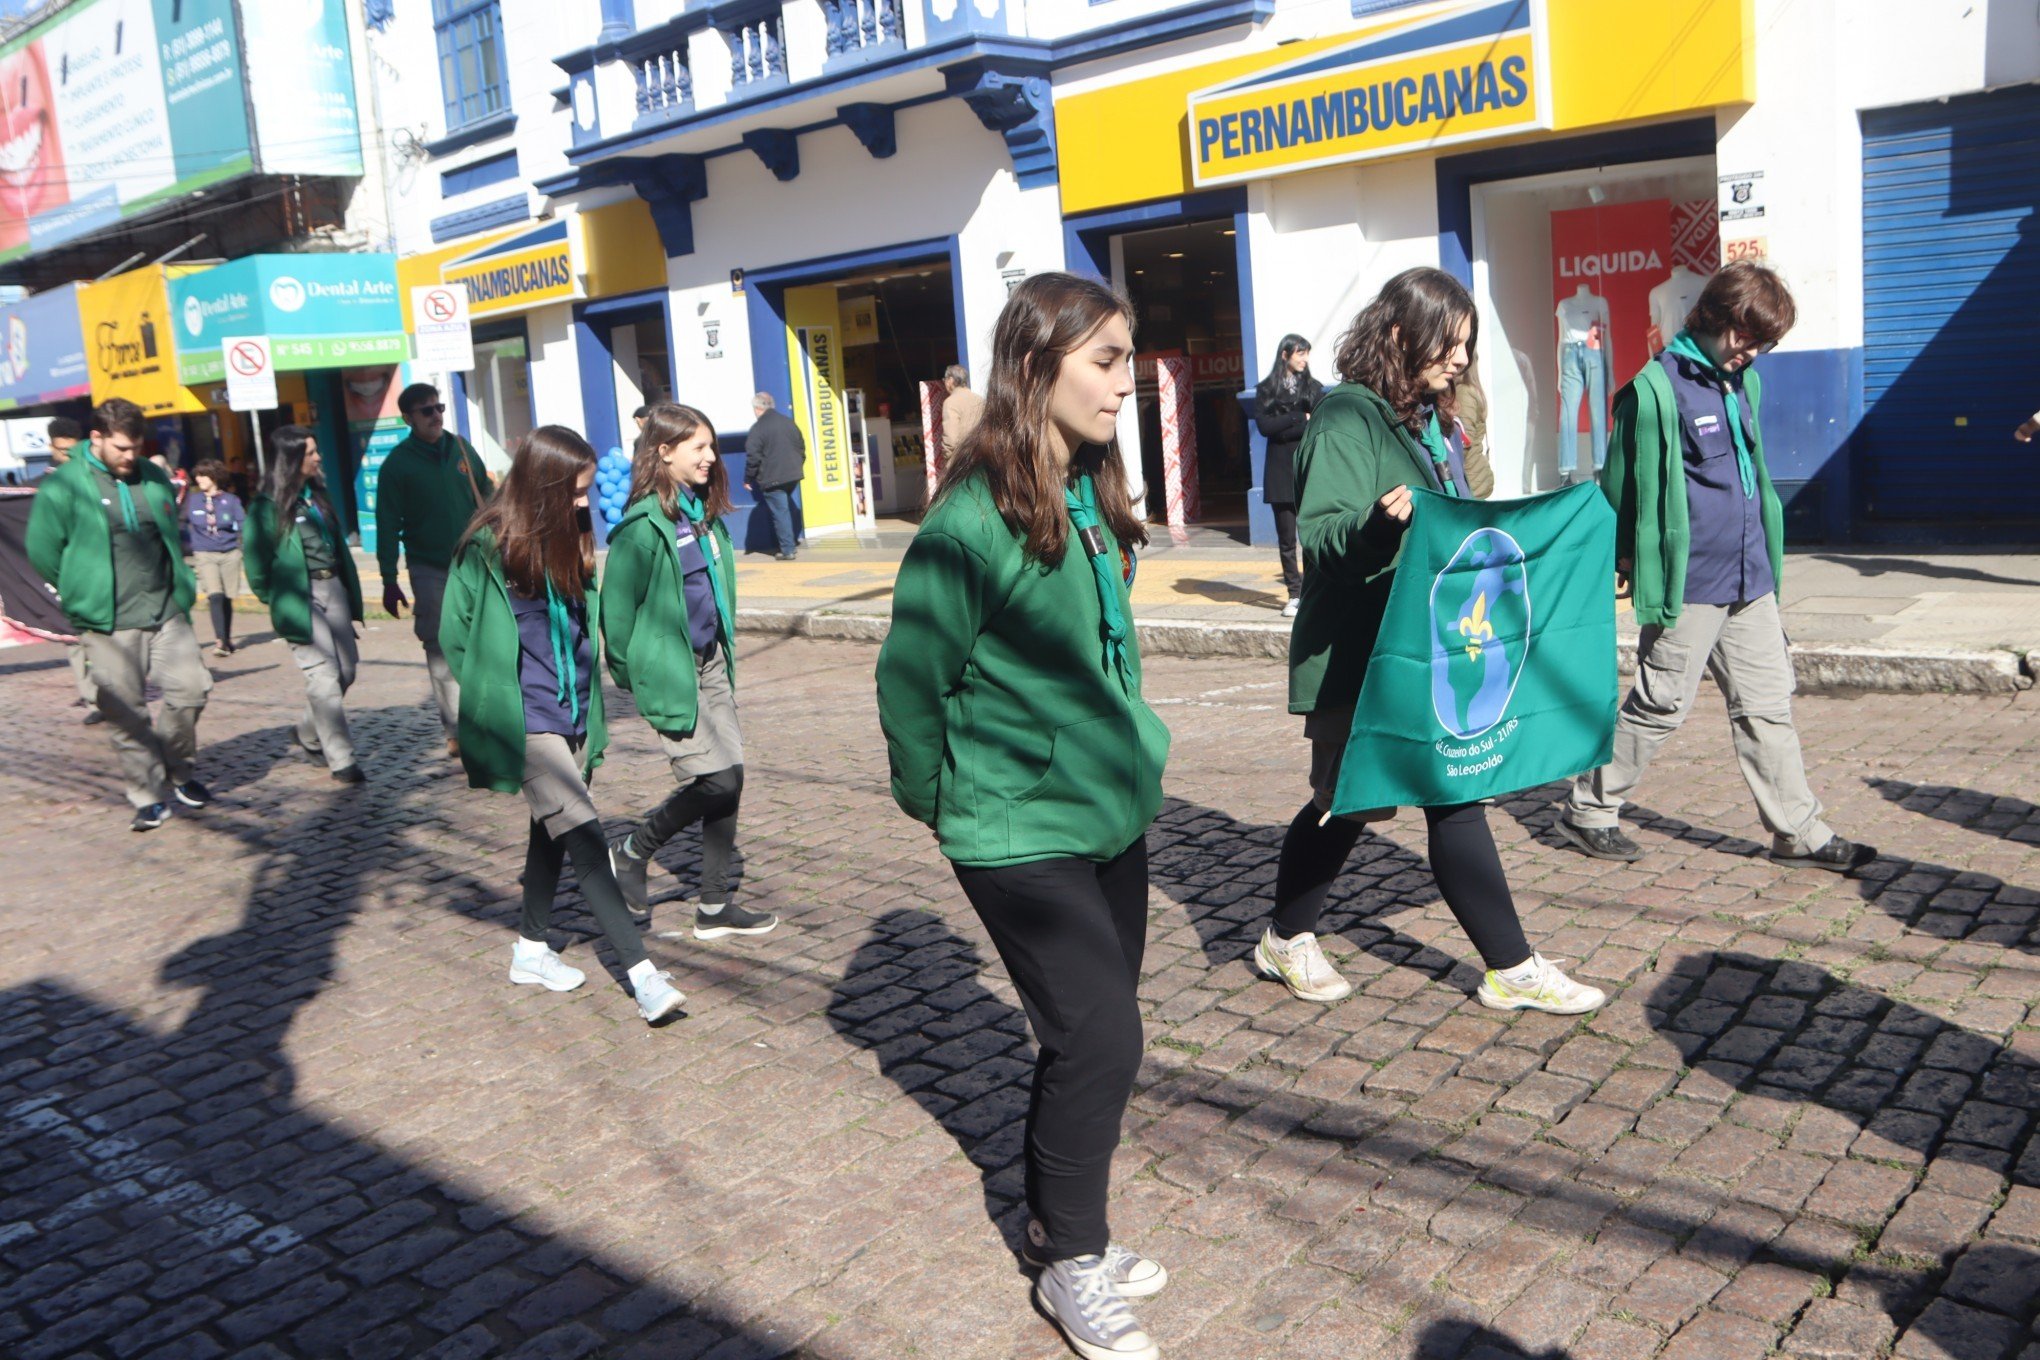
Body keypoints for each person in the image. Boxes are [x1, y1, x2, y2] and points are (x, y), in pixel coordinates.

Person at [876, 273, 1172, 1360]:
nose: (1123, 385)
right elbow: (909, 679)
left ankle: (1064, 1227)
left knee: (1080, 1033)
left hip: (1109, 810)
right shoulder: (968, 519)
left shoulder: (1087, 488)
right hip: (1017, 829)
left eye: (1128, 361)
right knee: (1104, 1033)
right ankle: (1072, 1268)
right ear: (1035, 367)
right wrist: (941, 799)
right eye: (1105, 361)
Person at [1262, 267, 1605, 1017]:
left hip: (1428, 644)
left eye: (1467, 345)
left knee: (1457, 795)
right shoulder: (1348, 416)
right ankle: (1286, 936)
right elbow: (1320, 538)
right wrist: (1379, 525)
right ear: (1397, 334)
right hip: (1362, 651)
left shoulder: (1426, 418)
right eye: (1449, 342)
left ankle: (1510, 967)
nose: (1460, 358)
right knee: (1344, 804)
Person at [1557, 262, 1877, 872]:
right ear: (1719, 319)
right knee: (1660, 704)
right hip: (1690, 579)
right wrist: (1623, 557)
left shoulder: (1742, 382)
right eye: (1748, 338)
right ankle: (1589, 810)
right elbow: (1618, 485)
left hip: (1749, 576)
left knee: (1768, 704)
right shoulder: (1653, 390)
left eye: (1764, 344)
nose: (1753, 353)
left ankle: (1797, 832)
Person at [441, 424, 687, 1026]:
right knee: (583, 836)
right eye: (574, 491)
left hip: (575, 711)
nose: (584, 502)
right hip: (523, 720)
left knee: (548, 830)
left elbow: (580, 628)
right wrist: (494, 697)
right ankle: (642, 976)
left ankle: (530, 949)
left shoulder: (572, 536)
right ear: (543, 485)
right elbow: (454, 634)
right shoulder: (486, 546)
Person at [602, 402, 775, 938]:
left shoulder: (700, 510)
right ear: (664, 451)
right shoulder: (640, 528)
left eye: (710, 446)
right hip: (673, 673)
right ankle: (632, 851)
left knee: (732, 780)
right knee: (715, 779)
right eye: (698, 447)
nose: (710, 456)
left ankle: (714, 907)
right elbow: (617, 618)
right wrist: (644, 675)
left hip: (712, 663)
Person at [26, 398, 213, 831]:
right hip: (107, 621)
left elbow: (168, 531)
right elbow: (42, 551)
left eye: (136, 447)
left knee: (192, 690)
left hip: (165, 610)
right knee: (126, 713)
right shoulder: (64, 485)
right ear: (97, 438)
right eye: (122, 449)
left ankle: (178, 770)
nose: (131, 457)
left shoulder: (150, 475)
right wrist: (80, 590)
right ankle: (146, 795)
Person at [377, 382, 494, 757]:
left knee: (485, 642)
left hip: (475, 562)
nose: (436, 415)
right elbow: (386, 523)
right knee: (441, 645)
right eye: (426, 411)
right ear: (408, 418)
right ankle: (456, 729)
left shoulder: (461, 448)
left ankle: (490, 717)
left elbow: (489, 499)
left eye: (439, 407)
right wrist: (388, 579)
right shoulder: (397, 464)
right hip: (429, 567)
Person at [244, 427, 365, 784]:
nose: (319, 457)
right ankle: (341, 759)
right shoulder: (266, 507)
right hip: (299, 596)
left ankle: (306, 732)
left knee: (346, 672)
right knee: (323, 677)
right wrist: (278, 598)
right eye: (311, 452)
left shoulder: (318, 496)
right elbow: (255, 566)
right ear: (293, 458)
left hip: (334, 587)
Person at [1254, 334, 1324, 617]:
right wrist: (1299, 418)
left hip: (1308, 469)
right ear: (1285, 355)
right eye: (1300, 354)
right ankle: (1294, 594)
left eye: (1306, 354)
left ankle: (1312, 592)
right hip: (1280, 473)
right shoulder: (1267, 389)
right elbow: (1264, 427)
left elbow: (1317, 423)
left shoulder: (1314, 388)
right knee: (1286, 540)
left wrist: (1287, 425)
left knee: (1310, 535)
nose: (1304, 359)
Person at [45, 416, 100, 721]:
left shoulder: (95, 477)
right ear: (50, 447)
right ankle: (92, 699)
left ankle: (114, 691)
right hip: (65, 576)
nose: (65, 456)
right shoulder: (42, 486)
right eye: (60, 449)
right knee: (76, 640)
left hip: (100, 569)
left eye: (71, 450)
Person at [183, 459, 246, 657]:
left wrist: (243, 546)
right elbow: (178, 522)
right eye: (197, 475)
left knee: (227, 597)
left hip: (229, 553)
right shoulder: (192, 500)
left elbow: (243, 523)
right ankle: (219, 641)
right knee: (215, 595)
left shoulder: (231, 500)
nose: (198, 479)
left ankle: (226, 639)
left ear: (214, 477)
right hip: (204, 553)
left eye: (202, 475)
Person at [743, 391, 805, 560]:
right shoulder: (788, 423)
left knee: (780, 512)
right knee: (784, 509)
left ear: (757, 408)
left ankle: (787, 550)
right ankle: (789, 543)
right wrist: (797, 466)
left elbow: (753, 456)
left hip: (773, 478)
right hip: (793, 475)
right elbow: (801, 446)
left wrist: (748, 478)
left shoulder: (758, 428)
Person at [1454, 370, 1496, 499]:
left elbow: (1464, 441)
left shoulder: (1463, 392)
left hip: (1471, 479)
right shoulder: (1469, 389)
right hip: (1475, 476)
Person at [940, 362, 984, 453]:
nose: (944, 382)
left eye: (945, 379)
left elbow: (951, 439)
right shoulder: (980, 399)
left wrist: (947, 456)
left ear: (950, 380)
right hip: (981, 456)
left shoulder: (950, 402)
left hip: (961, 459)